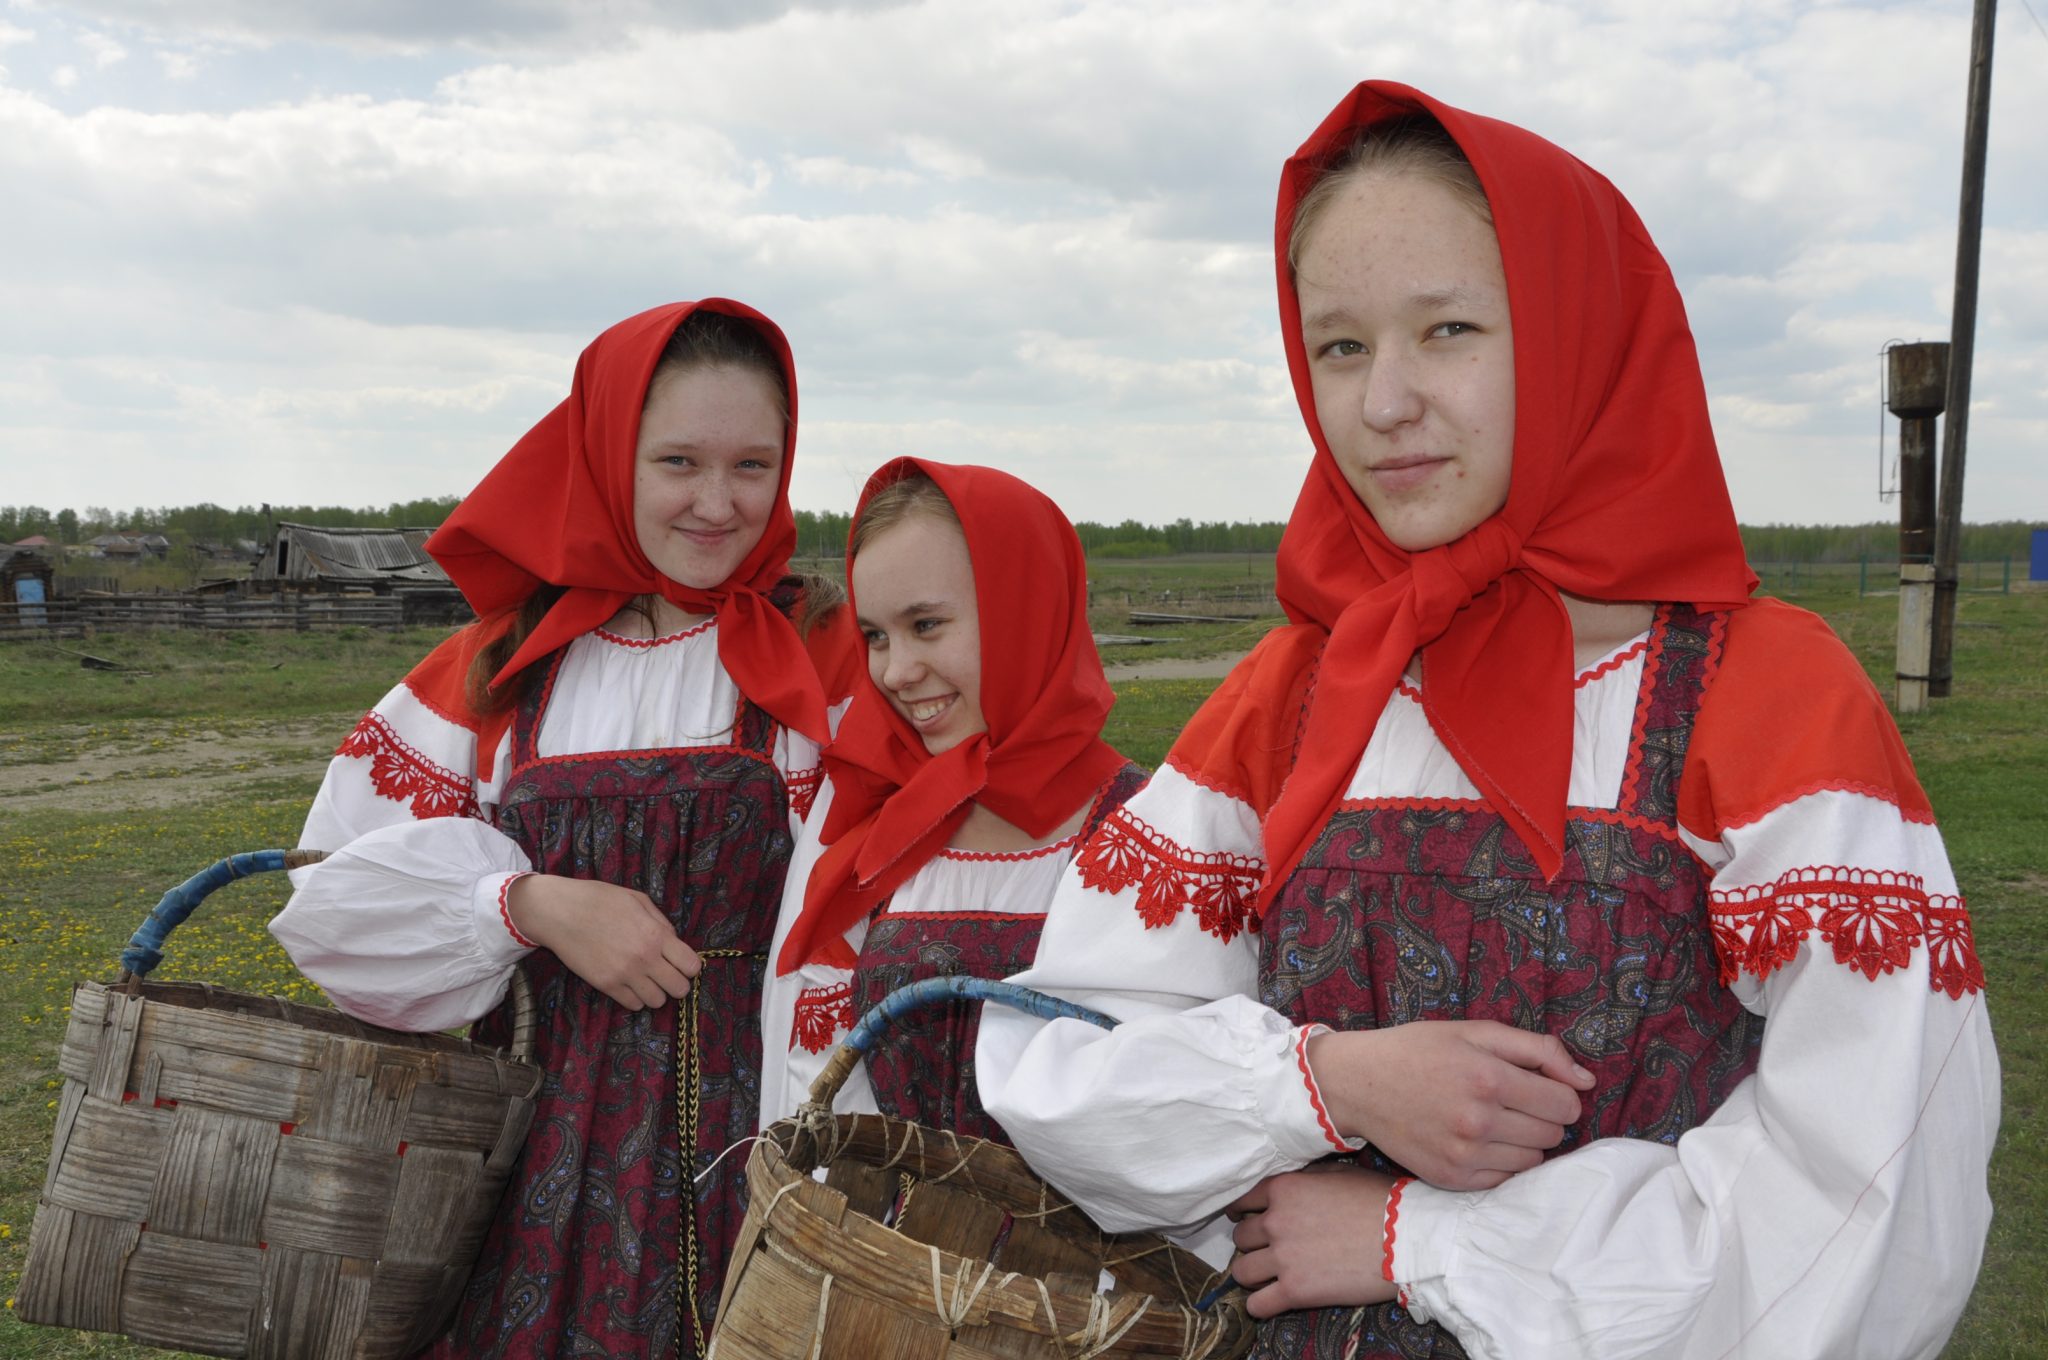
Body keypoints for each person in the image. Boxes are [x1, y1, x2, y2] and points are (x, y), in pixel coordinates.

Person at [977, 82, 2000, 1359]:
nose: (1383, 401)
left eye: (1448, 328)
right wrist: (1323, 1084)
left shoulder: (1768, 695)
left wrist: (1426, 1242)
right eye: (1338, 346)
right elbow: (1065, 1057)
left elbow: (1870, 1193)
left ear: (1579, 340)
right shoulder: (1295, 694)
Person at [269, 300, 853, 1359]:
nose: (717, 502)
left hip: (761, 1143)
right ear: (603, 453)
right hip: (528, 1149)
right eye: (677, 460)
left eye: (752, 467)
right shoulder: (499, 666)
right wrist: (524, 903)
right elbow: (331, 902)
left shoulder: (828, 655)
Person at [758, 458, 1146, 1140]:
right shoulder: (874, 820)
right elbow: (811, 1084)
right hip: (882, 1242)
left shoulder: (1147, 834)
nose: (896, 671)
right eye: (875, 636)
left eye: (927, 625)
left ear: (1027, 609)